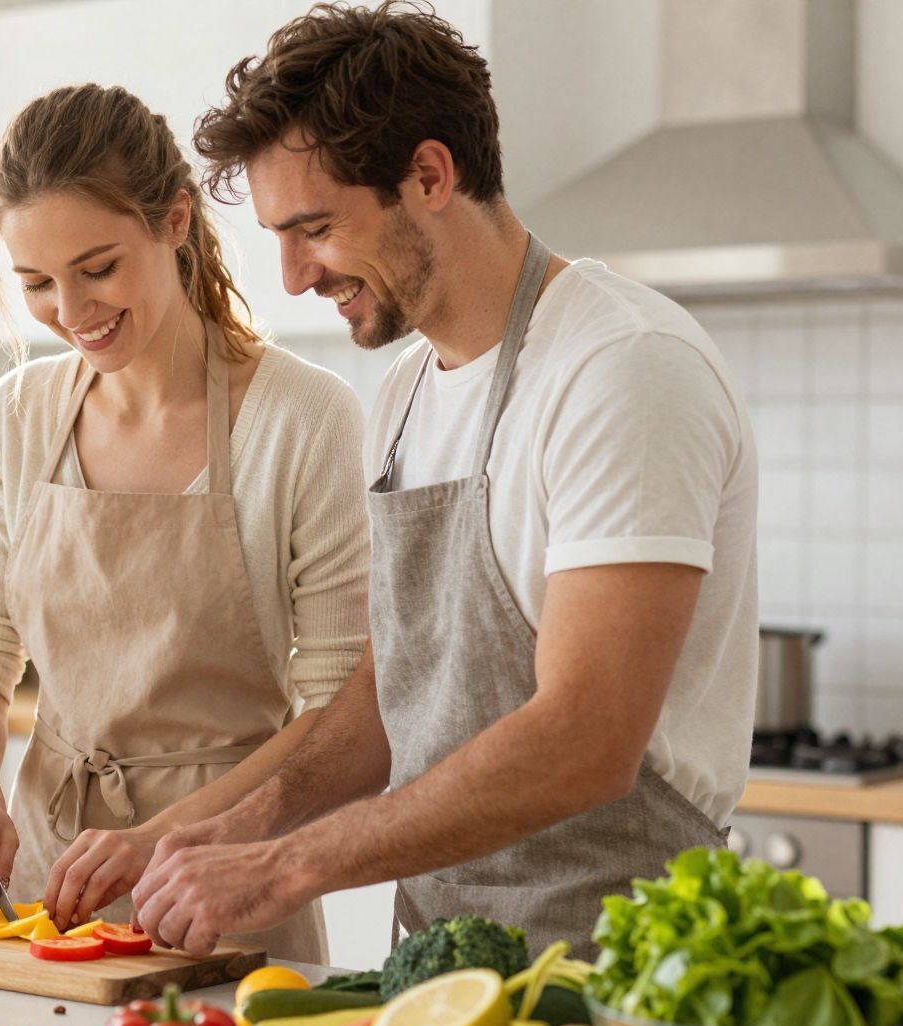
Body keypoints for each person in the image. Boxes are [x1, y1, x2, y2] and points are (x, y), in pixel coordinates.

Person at [135, 1, 759, 957]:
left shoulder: (621, 368)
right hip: (443, 956)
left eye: (314, 228)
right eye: (277, 236)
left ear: (430, 175)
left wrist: (292, 866)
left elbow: (589, 738)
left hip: (615, 965)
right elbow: (403, 685)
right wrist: (247, 825)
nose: (294, 276)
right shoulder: (406, 393)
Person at [0, 84, 370, 962]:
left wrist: (158, 840)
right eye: (36, 284)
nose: (71, 310)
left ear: (174, 221)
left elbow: (333, 712)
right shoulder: (20, 414)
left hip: (223, 880)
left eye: (98, 268)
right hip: (48, 884)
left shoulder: (303, 418)